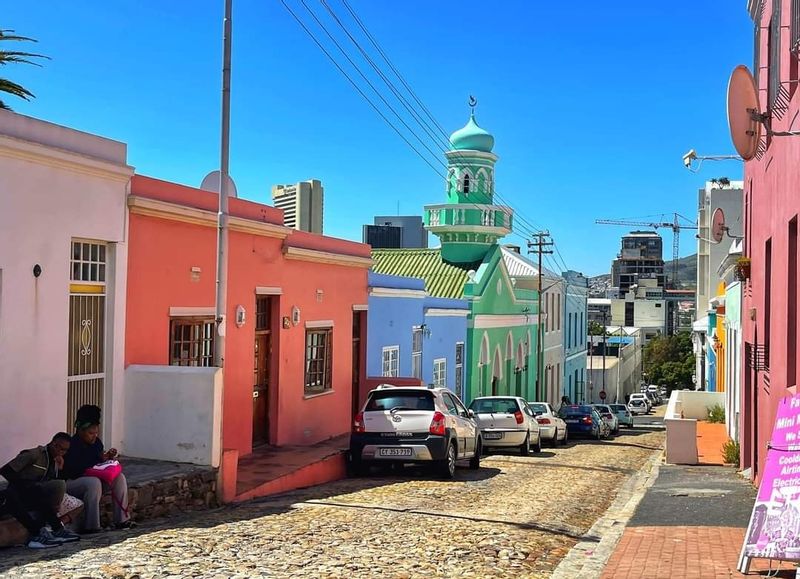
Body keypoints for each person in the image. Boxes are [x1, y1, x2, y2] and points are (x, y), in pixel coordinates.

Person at [0, 432, 81, 548]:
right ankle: (39, 534)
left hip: (33, 496)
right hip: (18, 492)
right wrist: (25, 484)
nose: (63, 453)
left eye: (66, 451)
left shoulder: (54, 460)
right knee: (34, 490)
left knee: (43, 491)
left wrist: (60, 468)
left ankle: (56, 530)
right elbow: (6, 471)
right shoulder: (34, 454)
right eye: (62, 449)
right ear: (54, 445)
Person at [62, 405, 132, 532]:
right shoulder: (71, 445)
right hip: (72, 483)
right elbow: (72, 471)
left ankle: (122, 520)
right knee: (93, 482)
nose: (94, 436)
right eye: (90, 433)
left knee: (119, 477)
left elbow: (99, 461)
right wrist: (93, 468)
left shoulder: (97, 443)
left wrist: (106, 460)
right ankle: (92, 526)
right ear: (80, 431)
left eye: (96, 433)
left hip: (95, 481)